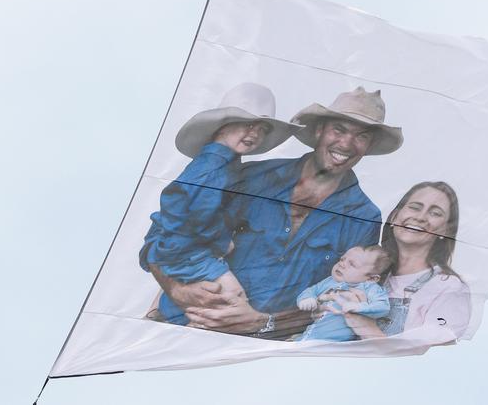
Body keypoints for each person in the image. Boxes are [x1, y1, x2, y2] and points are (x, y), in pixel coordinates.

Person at [148, 87, 404, 339]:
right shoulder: (252, 177)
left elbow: (341, 300)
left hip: (262, 354)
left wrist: (263, 323)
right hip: (179, 326)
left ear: (369, 146)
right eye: (339, 129)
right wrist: (177, 290)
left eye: (362, 136)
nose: (346, 143)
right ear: (319, 130)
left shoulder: (363, 218)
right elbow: (162, 235)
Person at [139, 83, 297, 325]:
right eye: (246, 123)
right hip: (191, 252)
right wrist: (223, 242)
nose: (254, 133)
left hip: (184, 249)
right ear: (223, 125)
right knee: (234, 297)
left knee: (193, 287)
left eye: (262, 128)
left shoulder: (226, 164)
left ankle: (156, 314)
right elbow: (199, 214)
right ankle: (185, 331)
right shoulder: (213, 168)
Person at [328, 181, 472, 342]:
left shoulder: (449, 288)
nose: (420, 217)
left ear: (446, 231)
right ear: (395, 215)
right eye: (415, 207)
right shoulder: (367, 272)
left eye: (435, 213)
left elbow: (431, 353)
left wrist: (364, 326)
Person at [296, 245, 391, 342]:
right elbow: (312, 290)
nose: (342, 264)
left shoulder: (370, 288)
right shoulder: (330, 281)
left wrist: (359, 307)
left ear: (371, 278)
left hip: (334, 344)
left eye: (352, 264)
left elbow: (382, 307)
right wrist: (307, 298)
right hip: (309, 336)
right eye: (342, 259)